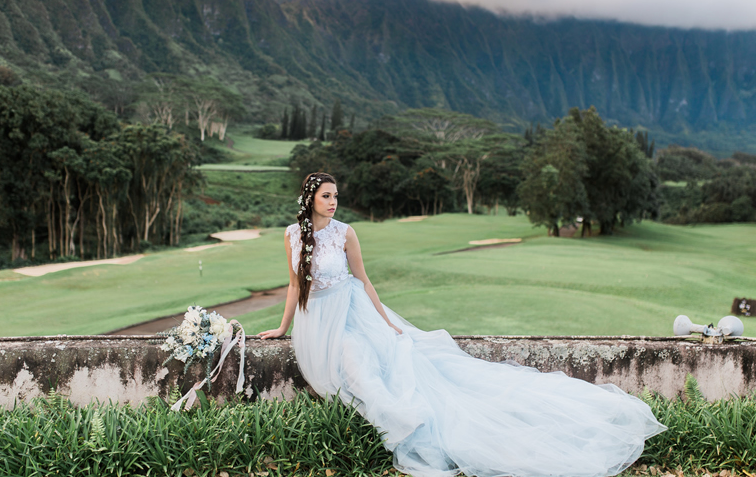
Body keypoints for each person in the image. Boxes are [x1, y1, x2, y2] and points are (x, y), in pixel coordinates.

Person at [259, 172, 665, 477]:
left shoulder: (346, 233)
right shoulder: (292, 234)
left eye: (336, 196)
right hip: (315, 324)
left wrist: (386, 323)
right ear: (310, 197)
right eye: (327, 196)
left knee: (362, 366)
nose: (333, 202)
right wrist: (282, 328)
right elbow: (295, 284)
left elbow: (363, 281)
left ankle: (406, 424)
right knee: (350, 371)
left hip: (352, 314)